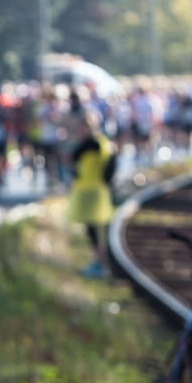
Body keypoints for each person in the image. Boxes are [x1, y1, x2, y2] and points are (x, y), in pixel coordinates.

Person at [66, 110, 116, 279]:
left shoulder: (89, 145)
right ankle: (101, 263)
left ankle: (100, 264)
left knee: (94, 230)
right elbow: (111, 168)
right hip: (98, 189)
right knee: (98, 229)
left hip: (89, 191)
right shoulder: (105, 144)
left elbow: (73, 162)